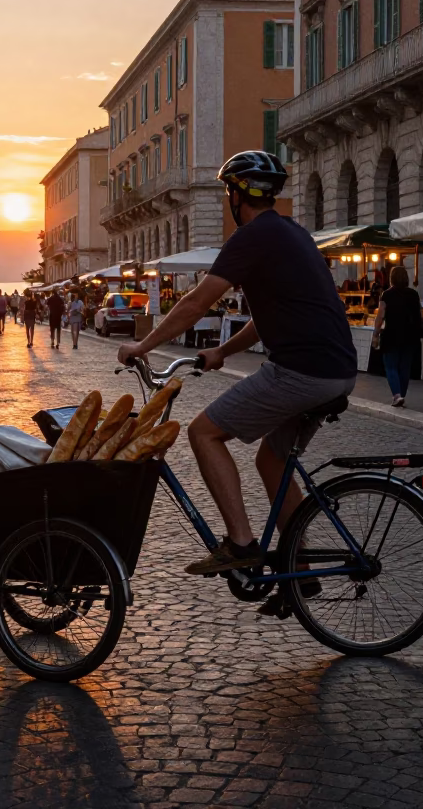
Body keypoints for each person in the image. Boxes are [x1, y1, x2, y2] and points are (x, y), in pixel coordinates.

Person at [117, 151, 357, 601]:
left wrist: (142, 346)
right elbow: (270, 317)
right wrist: (223, 351)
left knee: (203, 432)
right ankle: (300, 568)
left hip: (301, 371)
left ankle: (241, 544)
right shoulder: (292, 233)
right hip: (336, 371)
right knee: (273, 461)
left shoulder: (252, 237)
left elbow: (195, 303)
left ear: (234, 194)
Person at [371, 265, 423, 408]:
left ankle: (397, 395)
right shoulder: (414, 294)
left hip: (392, 334)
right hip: (410, 335)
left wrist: (375, 334)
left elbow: (380, 316)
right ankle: (402, 394)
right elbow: (421, 314)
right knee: (405, 367)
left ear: (391, 278)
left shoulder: (387, 295)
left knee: (391, 366)